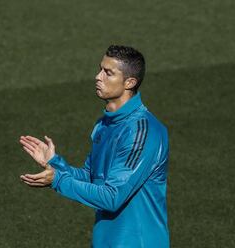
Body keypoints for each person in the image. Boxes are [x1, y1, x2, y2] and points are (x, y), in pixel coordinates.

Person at [19, 45, 169, 248]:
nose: (98, 77)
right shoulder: (104, 125)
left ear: (130, 82)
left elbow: (112, 197)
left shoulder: (143, 132)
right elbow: (93, 178)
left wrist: (58, 180)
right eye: (100, 69)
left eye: (108, 73)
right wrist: (55, 164)